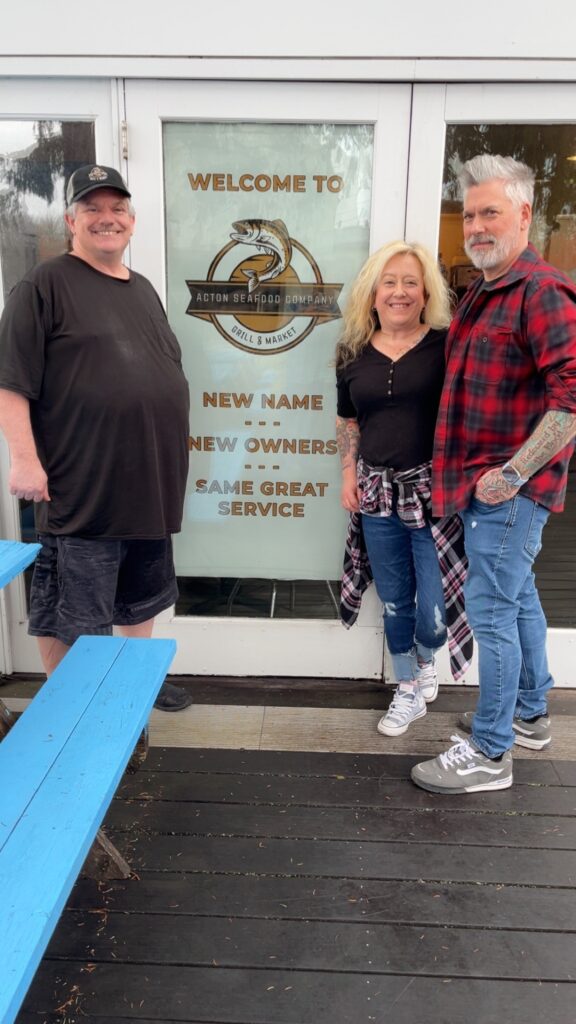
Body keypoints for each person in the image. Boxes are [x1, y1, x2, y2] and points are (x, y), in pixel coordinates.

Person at [0, 164, 192, 711]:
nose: (106, 219)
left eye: (116, 210)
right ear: (71, 220)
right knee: (71, 608)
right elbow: (9, 383)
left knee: (142, 597)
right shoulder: (45, 284)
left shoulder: (143, 288)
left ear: (132, 221)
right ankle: (69, 708)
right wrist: (24, 460)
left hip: (149, 484)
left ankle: (131, 688)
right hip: (82, 487)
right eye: (92, 209)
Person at [412, 154, 576, 794]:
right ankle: (529, 714)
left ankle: (490, 751)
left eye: (491, 213)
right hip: (485, 486)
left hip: (508, 491)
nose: (477, 226)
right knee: (519, 597)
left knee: (492, 610)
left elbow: (570, 401)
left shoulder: (541, 291)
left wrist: (510, 474)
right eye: (470, 214)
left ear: (525, 215)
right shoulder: (486, 289)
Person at [337, 241, 472, 737]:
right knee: (394, 597)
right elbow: (348, 417)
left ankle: (427, 657)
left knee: (435, 603)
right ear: (373, 294)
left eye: (410, 282)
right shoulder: (351, 351)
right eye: (389, 282)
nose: (399, 292)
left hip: (434, 495)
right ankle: (409, 687)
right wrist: (348, 474)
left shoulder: (446, 343)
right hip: (375, 496)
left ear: (426, 292)